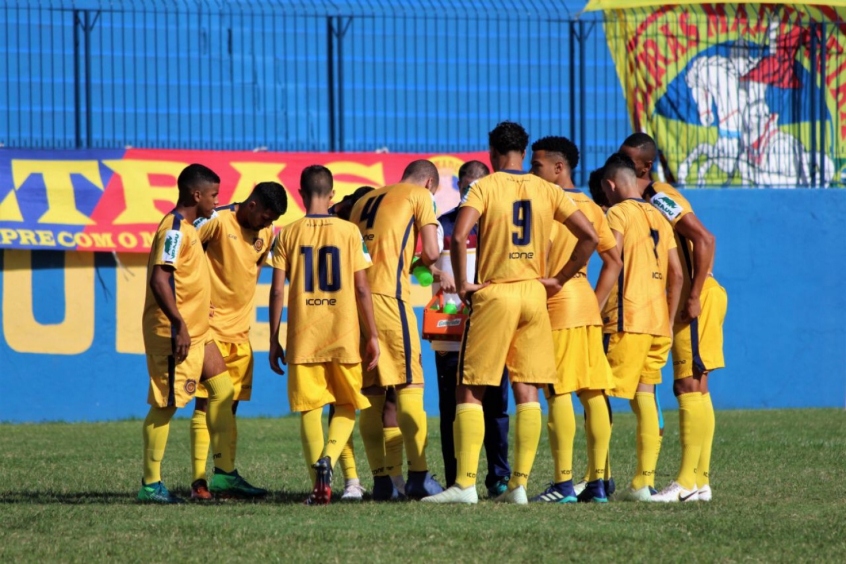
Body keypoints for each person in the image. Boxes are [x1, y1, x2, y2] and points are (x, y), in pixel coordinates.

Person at [423, 121, 599, 505]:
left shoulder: (485, 186)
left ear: (492, 152)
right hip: (535, 294)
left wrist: (467, 285)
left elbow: (457, 234)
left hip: (496, 292)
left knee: (470, 387)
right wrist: (560, 278)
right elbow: (590, 237)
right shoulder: (548, 189)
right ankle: (518, 486)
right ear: (524, 152)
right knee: (527, 388)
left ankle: (465, 485)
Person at [620, 134, 727, 502]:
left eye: (628, 160)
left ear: (645, 167)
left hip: (694, 300)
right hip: (690, 298)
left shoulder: (658, 195)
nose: (621, 166)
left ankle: (684, 483)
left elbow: (705, 238)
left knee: (687, 386)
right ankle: (700, 482)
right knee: (698, 387)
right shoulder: (643, 202)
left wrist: (694, 295)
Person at [268, 165, 380, 505]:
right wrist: (372, 334)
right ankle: (330, 456)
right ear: (332, 194)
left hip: (304, 336)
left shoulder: (286, 233)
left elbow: (275, 292)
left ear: (301, 193)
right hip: (343, 333)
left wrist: (274, 339)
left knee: (310, 409)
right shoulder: (349, 232)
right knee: (347, 404)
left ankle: (320, 486)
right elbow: (362, 289)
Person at [139, 164, 249, 503]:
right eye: (213, 195)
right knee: (166, 405)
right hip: (177, 333)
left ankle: (221, 474)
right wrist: (178, 324)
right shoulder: (173, 230)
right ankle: (150, 483)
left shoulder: (189, 228)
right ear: (195, 194)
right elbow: (160, 278)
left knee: (222, 389)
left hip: (200, 332)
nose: (218, 201)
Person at [529, 137, 621, 503]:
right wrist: (595, 304)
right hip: (583, 302)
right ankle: (598, 482)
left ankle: (564, 483)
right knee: (593, 391)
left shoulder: (549, 203)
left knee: (559, 392)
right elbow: (614, 261)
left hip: (557, 303)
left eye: (536, 166)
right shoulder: (592, 206)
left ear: (558, 168)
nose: (531, 172)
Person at [349, 160, 444, 501]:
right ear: (429, 182)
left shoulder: (364, 200)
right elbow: (432, 252)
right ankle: (419, 476)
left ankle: (384, 481)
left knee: (373, 395)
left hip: (356, 303)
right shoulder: (420, 196)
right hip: (390, 299)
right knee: (409, 386)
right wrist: (432, 268)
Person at [186, 181, 287, 500]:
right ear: (252, 205)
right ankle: (199, 481)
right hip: (210, 330)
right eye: (265, 217)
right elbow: (184, 255)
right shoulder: (215, 221)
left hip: (240, 333)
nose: (267, 225)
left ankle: (225, 476)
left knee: (229, 408)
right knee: (206, 403)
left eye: (272, 221)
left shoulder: (266, 235)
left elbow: (253, 273)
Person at [598, 153, 683, 502]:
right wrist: (667, 317)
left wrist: (594, 308)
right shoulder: (660, 216)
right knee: (645, 396)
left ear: (611, 184)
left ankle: (597, 478)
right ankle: (643, 482)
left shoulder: (617, 213)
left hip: (626, 319)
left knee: (598, 393)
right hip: (657, 323)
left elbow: (613, 261)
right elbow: (677, 274)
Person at [428, 159, 512, 498]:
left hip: (494, 322)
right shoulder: (444, 225)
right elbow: (422, 267)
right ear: (460, 186)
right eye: (466, 187)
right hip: (451, 329)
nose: (470, 193)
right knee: (452, 406)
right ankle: (456, 479)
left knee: (496, 403)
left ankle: (498, 477)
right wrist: (435, 271)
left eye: (477, 187)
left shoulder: (498, 224)